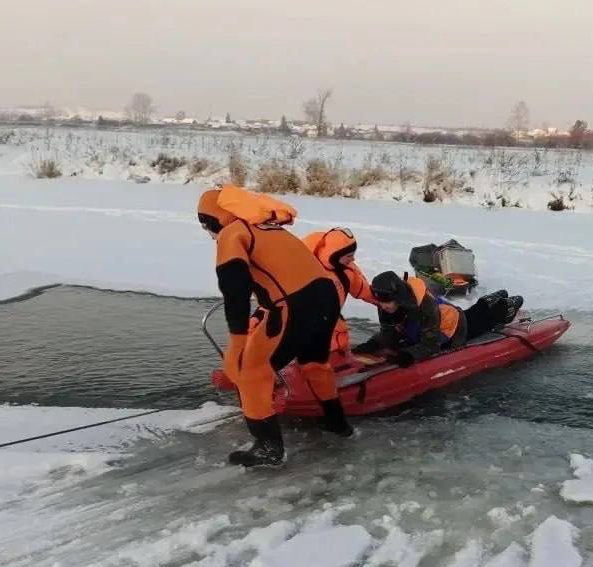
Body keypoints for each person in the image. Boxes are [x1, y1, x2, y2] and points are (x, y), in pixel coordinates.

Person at [198, 186, 353, 467]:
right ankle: (337, 424)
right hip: (326, 297)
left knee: (250, 373)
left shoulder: (233, 234)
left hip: (293, 305)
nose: (209, 235)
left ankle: (269, 449)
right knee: (315, 364)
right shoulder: (270, 228)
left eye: (206, 226)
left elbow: (235, 291)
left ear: (215, 220)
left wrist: (237, 343)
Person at [353, 271, 522, 365]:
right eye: (380, 303)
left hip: (452, 327)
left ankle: (504, 308)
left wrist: (407, 356)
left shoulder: (425, 307)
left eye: (386, 302)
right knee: (472, 315)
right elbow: (390, 332)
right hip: (436, 320)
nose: (383, 306)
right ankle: (488, 301)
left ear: (398, 297)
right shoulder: (386, 305)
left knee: (478, 325)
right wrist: (374, 343)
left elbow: (430, 346)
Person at [301, 227, 376, 362]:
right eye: (349, 255)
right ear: (334, 254)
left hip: (335, 327)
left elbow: (365, 291)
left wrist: (387, 300)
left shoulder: (348, 271)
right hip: (307, 327)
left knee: (337, 344)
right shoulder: (306, 268)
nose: (353, 258)